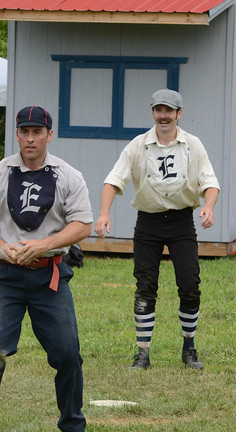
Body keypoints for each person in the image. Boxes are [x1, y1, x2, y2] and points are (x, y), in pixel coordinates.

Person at [0, 105, 97, 432]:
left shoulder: (68, 176)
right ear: (17, 134)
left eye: (37, 132)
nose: (30, 139)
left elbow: (82, 225)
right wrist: (1, 246)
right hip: (4, 274)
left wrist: (45, 245)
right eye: (24, 132)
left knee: (68, 354)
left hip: (50, 274)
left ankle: (73, 427)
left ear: (50, 135)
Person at [94, 89, 220, 370]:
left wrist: (209, 206)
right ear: (153, 112)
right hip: (148, 224)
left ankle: (189, 348)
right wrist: (103, 213)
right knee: (145, 288)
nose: (163, 116)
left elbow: (210, 182)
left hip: (182, 222)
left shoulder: (193, 145)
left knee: (190, 285)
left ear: (179, 114)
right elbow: (113, 180)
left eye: (169, 111)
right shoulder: (138, 146)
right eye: (158, 110)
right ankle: (143, 354)